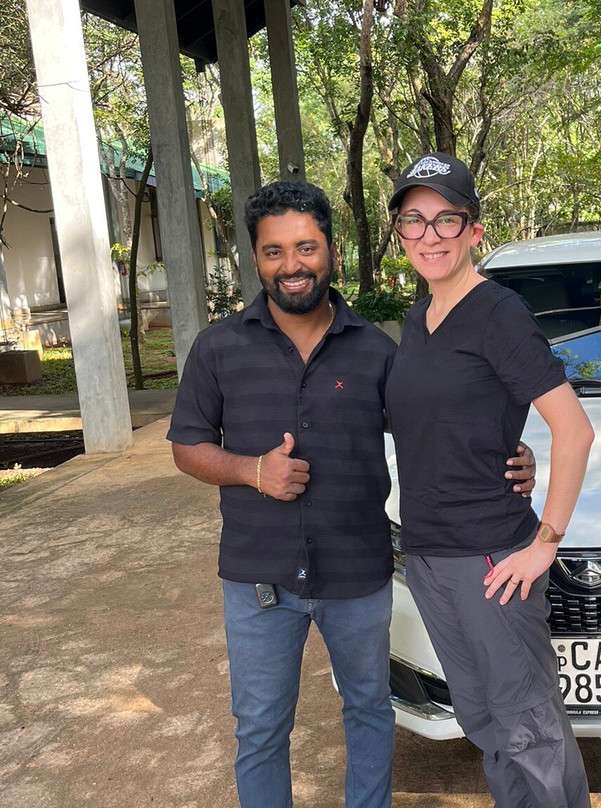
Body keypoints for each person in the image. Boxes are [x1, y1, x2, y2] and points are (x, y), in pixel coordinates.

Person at [167, 181, 536, 808]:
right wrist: (253, 471)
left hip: (358, 574)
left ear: (332, 252)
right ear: (256, 259)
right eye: (274, 251)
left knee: (369, 709)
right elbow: (187, 446)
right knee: (260, 728)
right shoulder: (218, 348)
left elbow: (434, 420)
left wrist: (508, 450)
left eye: (306, 248)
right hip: (258, 579)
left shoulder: (378, 351)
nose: (292, 265)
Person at [384, 153, 595, 808]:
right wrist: (510, 448)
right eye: (414, 219)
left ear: (473, 230)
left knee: (528, 729)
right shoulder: (417, 321)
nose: (430, 234)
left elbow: (575, 430)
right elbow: (442, 422)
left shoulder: (498, 312)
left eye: (446, 218)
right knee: (482, 722)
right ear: (400, 233)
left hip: (491, 559)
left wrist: (545, 543)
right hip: (428, 555)